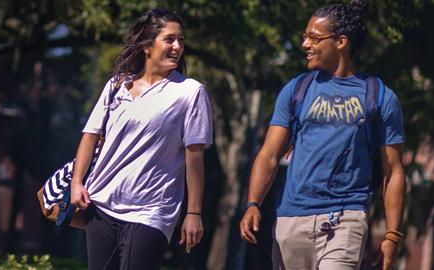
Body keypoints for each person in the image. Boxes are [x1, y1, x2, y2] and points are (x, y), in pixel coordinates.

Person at [239, 1, 406, 269]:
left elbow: (393, 171)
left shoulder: (379, 96)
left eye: (314, 38)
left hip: (346, 219)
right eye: (304, 36)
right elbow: (269, 154)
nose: (305, 44)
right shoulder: (296, 90)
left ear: (341, 42)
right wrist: (253, 203)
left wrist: (392, 235)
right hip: (291, 220)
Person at [69, 8, 213, 270]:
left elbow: (195, 159)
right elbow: (90, 135)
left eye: (181, 40)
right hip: (100, 204)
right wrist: (77, 182)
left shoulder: (190, 93)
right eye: (169, 39)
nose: (177, 46)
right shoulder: (116, 86)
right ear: (147, 45)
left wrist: (193, 212)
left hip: (152, 211)